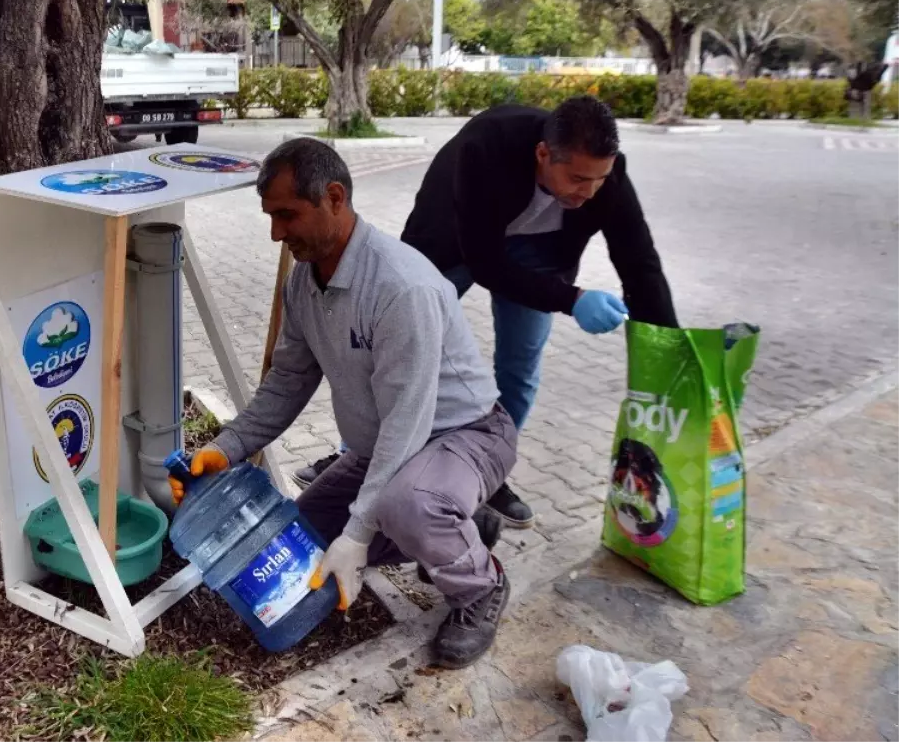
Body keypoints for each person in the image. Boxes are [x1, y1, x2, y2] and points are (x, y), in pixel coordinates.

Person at [171, 138, 519, 669]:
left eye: (287, 215)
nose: (276, 234)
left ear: (334, 197)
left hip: (466, 435)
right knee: (298, 542)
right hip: (387, 448)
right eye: (270, 217)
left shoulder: (402, 287)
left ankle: (479, 587)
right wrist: (229, 446)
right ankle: (460, 527)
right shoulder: (303, 285)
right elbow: (287, 380)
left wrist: (359, 534)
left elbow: (408, 420)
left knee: (405, 506)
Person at [295, 96, 678, 529]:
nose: (587, 193)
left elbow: (640, 263)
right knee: (393, 346)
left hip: (541, 256)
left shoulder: (606, 177)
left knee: (520, 368)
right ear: (543, 154)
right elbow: (487, 263)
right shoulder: (486, 147)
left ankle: (486, 469)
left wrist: (669, 355)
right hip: (456, 240)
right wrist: (572, 300)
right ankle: (355, 457)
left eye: (598, 180)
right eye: (576, 179)